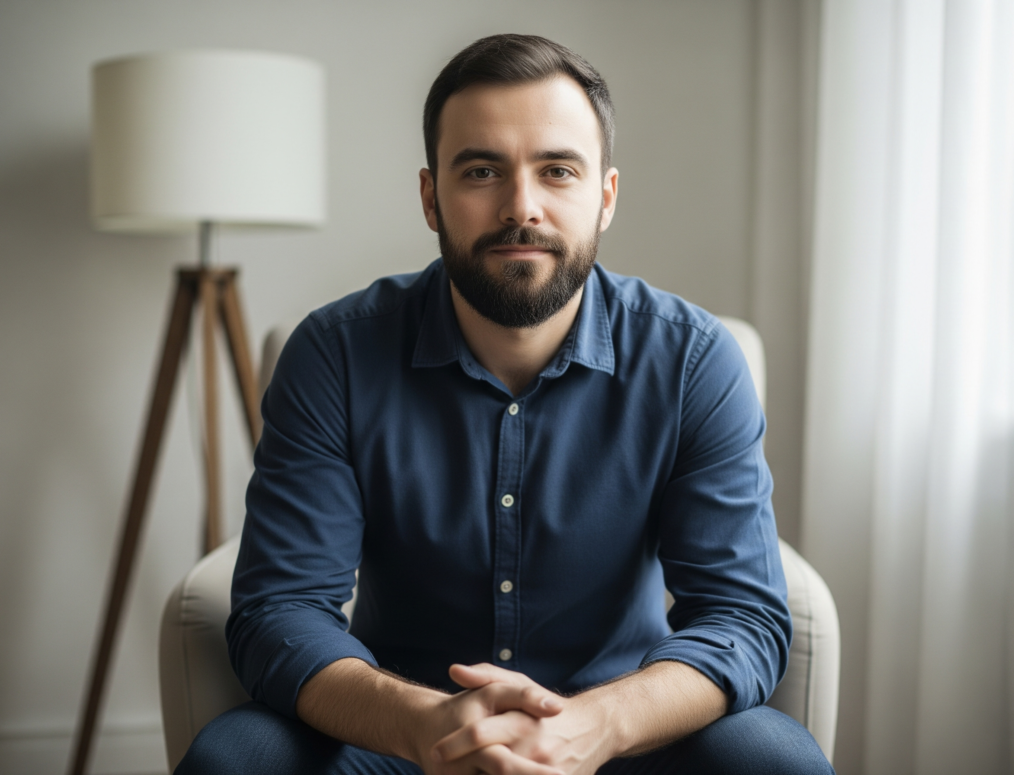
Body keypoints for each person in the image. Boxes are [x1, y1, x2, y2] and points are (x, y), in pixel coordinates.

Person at [177, 34, 834, 775]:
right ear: (432, 197)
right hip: (400, 738)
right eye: (482, 170)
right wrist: (426, 724)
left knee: (776, 761)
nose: (522, 207)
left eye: (557, 170)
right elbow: (281, 611)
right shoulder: (334, 354)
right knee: (235, 759)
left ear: (605, 196)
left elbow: (741, 616)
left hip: (621, 738)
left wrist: (596, 725)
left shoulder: (692, 359)